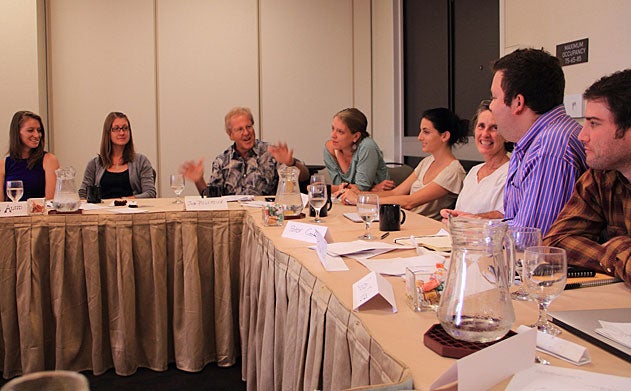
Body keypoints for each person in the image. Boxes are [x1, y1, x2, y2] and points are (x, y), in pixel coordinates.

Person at [450, 48, 587, 235]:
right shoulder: (530, 143)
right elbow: (518, 218)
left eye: (495, 97)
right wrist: (478, 222)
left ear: (518, 103)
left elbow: (531, 240)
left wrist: (477, 232)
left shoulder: (549, 148)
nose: (491, 105)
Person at [544, 69, 631, 287]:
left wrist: (614, 249)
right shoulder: (601, 176)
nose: (582, 135)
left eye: (594, 123)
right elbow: (556, 243)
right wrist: (616, 253)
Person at [340, 107, 467, 221]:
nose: (419, 137)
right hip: (405, 221)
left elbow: (410, 202)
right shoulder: (427, 162)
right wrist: (359, 195)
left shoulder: (453, 171)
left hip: (424, 228)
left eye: (426, 132)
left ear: (444, 136)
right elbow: (396, 193)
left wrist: (359, 200)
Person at [180, 106, 309, 196]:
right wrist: (199, 181)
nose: (246, 133)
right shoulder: (222, 161)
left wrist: (290, 162)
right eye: (240, 129)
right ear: (230, 135)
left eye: (249, 127)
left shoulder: (271, 153)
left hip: (266, 219)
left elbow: (304, 176)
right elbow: (212, 199)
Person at [440, 101, 511, 221]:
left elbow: (507, 217)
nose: (485, 134)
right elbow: (461, 214)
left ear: (507, 134)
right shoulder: (474, 171)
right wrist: (452, 217)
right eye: (481, 126)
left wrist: (472, 219)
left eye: (494, 128)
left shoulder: (513, 172)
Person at [79, 112, 156, 199]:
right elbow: (83, 193)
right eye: (116, 129)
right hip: (102, 211)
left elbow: (150, 193)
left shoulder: (141, 161)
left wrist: (125, 201)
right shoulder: (94, 164)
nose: (122, 132)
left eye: (125, 128)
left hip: (131, 210)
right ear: (108, 133)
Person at [323, 108, 392, 193]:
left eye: (340, 132)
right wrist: (373, 189)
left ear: (355, 136)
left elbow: (362, 188)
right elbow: (339, 186)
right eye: (333, 128)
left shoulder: (367, 146)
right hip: (348, 200)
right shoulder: (330, 149)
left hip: (376, 200)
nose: (333, 135)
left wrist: (324, 189)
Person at [0, 111, 60, 200]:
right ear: (17, 132)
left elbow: (50, 201)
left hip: (40, 212)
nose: (36, 135)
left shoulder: (49, 160)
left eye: (39, 131)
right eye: (30, 130)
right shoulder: (4, 164)